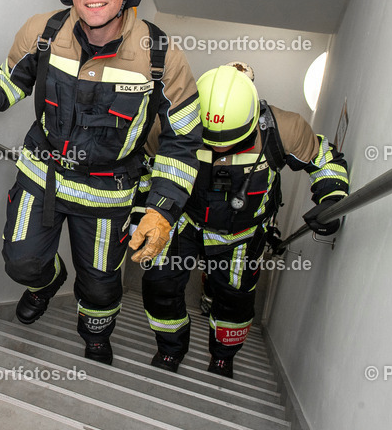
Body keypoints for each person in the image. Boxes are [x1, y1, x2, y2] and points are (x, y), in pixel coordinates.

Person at [0, 0, 202, 364]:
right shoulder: (43, 31)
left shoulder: (161, 55)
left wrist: (162, 210)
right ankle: (46, 284)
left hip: (107, 194)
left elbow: (183, 141)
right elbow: (12, 80)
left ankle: (95, 334)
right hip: (41, 175)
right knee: (21, 263)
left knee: (100, 287)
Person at [138, 64, 349, 378]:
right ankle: (170, 348)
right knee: (159, 284)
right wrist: (144, 210)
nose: (219, 147)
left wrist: (331, 199)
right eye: (211, 138)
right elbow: (143, 161)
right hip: (186, 222)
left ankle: (223, 356)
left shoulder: (284, 128)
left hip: (242, 235)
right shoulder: (170, 122)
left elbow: (323, 158)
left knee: (234, 302)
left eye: (229, 139)